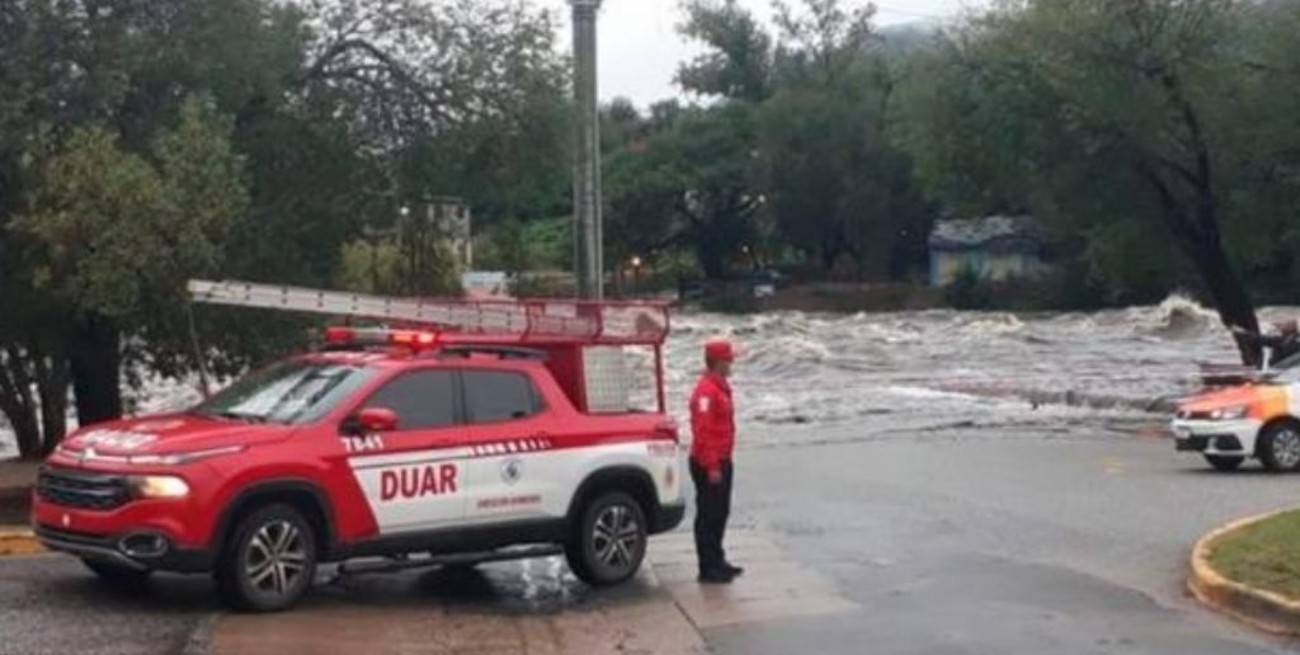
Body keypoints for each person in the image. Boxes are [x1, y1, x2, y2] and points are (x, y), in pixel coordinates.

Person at [689, 339, 743, 584]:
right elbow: (702, 432)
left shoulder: (720, 387)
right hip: (709, 462)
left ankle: (718, 559)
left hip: (722, 459)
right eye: (728, 359)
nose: (731, 363)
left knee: (721, 512)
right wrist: (712, 466)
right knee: (709, 515)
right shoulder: (706, 392)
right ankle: (707, 567)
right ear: (718, 362)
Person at [1232, 320, 1300, 368]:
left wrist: (1242, 332)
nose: (1279, 329)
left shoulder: (1282, 341)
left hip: (1279, 369)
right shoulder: (1290, 340)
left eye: (1282, 326)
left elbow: (1259, 339)